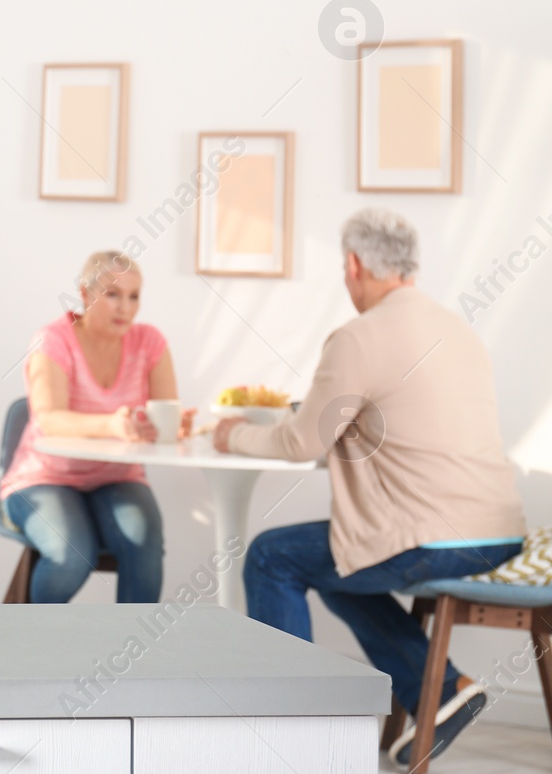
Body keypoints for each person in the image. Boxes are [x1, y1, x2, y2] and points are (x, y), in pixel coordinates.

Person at [216, 208, 525, 766]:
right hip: (499, 529)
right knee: (340, 561)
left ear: (354, 265)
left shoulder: (360, 336)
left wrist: (232, 434)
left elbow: (300, 442)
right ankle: (444, 692)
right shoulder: (456, 327)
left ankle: (284, 731)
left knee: (271, 558)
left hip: (433, 536)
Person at [0, 251, 193, 603]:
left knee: (144, 543)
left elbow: (165, 414)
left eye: (134, 296)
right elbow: (49, 418)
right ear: (85, 294)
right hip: (43, 478)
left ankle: (134, 651)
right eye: (113, 294)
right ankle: (31, 647)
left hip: (117, 477)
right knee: (70, 556)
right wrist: (113, 425)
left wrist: (173, 428)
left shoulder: (149, 343)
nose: (126, 307)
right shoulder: (54, 339)